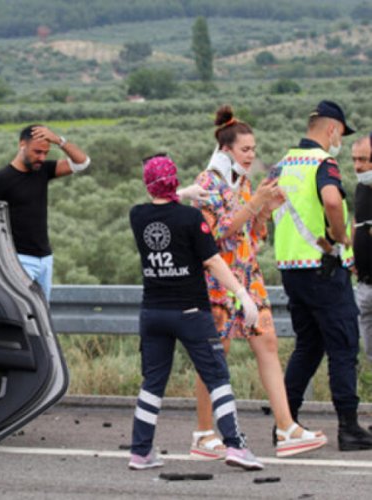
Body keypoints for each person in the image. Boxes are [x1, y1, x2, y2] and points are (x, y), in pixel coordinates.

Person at [189, 105, 327, 459]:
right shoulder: (207, 183)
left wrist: (266, 208)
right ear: (226, 149)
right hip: (218, 279)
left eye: (253, 149)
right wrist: (255, 205)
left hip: (249, 276)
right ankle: (204, 433)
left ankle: (286, 427)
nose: (251, 156)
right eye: (245, 150)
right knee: (216, 357)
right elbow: (216, 234)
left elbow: (253, 235)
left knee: (267, 344)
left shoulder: (244, 182)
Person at [128, 154, 263, 471]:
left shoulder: (138, 216)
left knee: (152, 383)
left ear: (148, 183)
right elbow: (214, 262)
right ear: (174, 180)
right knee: (217, 377)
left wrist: (183, 193)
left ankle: (140, 451)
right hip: (191, 312)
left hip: (153, 312)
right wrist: (242, 294)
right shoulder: (190, 220)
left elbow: (159, 206)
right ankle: (235, 446)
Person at [273, 100, 372, 451]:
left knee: (308, 346)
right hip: (324, 266)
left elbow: (264, 207)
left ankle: (285, 421)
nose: (340, 142)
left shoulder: (282, 164)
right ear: (331, 129)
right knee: (343, 344)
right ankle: (349, 427)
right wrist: (338, 237)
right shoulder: (322, 163)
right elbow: (332, 201)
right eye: (341, 135)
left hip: (291, 270)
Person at [0, 125, 90, 301]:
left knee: (42, 315)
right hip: (18, 260)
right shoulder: (0, 180)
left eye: (45, 153)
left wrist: (59, 141)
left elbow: (82, 162)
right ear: (22, 145)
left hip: (45, 260)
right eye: (37, 152)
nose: (41, 158)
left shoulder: (42, 170)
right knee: (23, 315)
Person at [352, 134, 372, 364]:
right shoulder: (360, 188)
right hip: (364, 285)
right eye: (355, 160)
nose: (358, 166)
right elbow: (357, 221)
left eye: (364, 159)